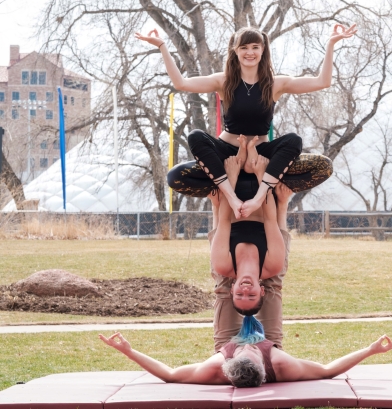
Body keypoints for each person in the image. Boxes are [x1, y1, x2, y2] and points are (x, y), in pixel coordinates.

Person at [135, 24, 357, 219]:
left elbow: (322, 81)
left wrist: (331, 44)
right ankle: (230, 196)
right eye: (244, 48)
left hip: (260, 155)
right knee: (186, 156)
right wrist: (162, 46)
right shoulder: (224, 81)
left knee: (299, 145)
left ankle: (260, 197)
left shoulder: (275, 84)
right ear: (235, 50)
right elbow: (181, 83)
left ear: (262, 50)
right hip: (227, 152)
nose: (250, 52)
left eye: (255, 47)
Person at [99, 327, 392, 387]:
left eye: (248, 348)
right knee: (257, 288)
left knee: (239, 288)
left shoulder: (216, 369)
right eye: (248, 349)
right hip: (270, 347)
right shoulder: (279, 364)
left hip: (227, 342)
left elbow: (170, 374)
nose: (247, 344)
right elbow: (326, 370)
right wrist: (371, 350)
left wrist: (127, 350)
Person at [207, 155, 294, 351]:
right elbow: (272, 222)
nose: (245, 290)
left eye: (239, 293)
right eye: (252, 294)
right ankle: (274, 353)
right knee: (275, 277)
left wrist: (230, 178)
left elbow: (223, 221)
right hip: (263, 217)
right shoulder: (271, 265)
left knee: (221, 276)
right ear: (260, 290)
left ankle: (223, 354)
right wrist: (264, 177)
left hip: (232, 217)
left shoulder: (224, 265)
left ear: (233, 289)